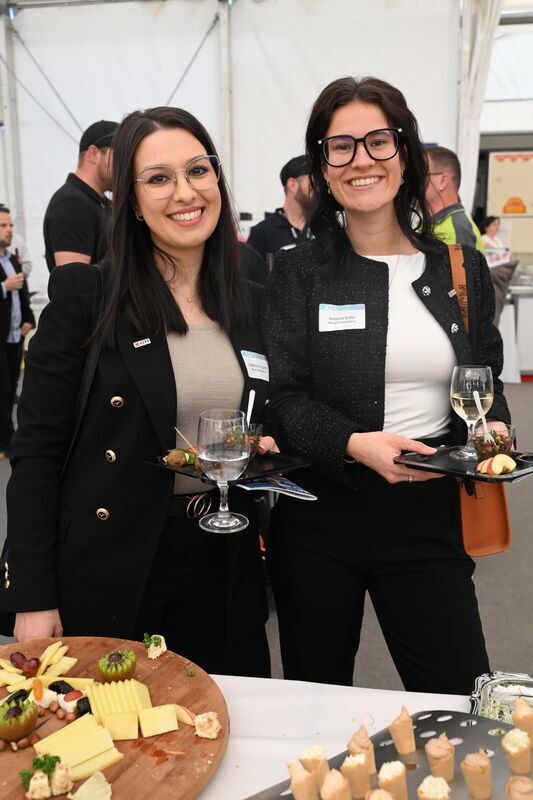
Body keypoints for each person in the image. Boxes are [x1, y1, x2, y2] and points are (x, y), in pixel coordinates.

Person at [1, 106, 275, 679]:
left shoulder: (251, 295)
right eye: (158, 178)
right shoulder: (88, 296)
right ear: (129, 199)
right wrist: (32, 594)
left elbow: (259, 410)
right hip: (113, 560)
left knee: (225, 717)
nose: (185, 192)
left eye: (198, 170)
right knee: (118, 725)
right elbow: (37, 452)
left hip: (224, 555)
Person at [262, 76, 510, 694]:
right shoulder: (298, 272)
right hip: (319, 512)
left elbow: (485, 374)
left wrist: (494, 425)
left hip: (429, 510)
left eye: (378, 141)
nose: (361, 160)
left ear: (406, 154)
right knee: (315, 699)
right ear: (322, 167)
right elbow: (282, 398)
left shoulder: (460, 268)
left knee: (460, 695)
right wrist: (353, 442)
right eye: (340, 146)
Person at [43, 119, 118, 271]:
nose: (125, 166)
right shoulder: (71, 205)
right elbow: (72, 281)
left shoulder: (100, 203)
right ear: (94, 154)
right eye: (120, 156)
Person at [0, 206, 34, 457]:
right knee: (2, 390)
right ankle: (7, 440)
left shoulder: (12, 259)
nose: (10, 230)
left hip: (14, 334)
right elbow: (10, 287)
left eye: (10, 225)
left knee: (12, 387)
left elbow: (22, 291)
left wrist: (28, 318)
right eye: (3, 226)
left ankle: (7, 436)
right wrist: (3, 286)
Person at [247, 155, 313, 263]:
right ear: (293, 184)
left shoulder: (323, 228)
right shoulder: (262, 232)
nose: (319, 187)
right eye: (313, 180)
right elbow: (249, 271)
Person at [425, 146, 484, 253]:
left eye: (421, 175)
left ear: (442, 181)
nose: (414, 182)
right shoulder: (434, 224)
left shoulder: (458, 230)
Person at [479, 215, 518, 326]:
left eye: (498, 225)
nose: (497, 227)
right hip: (491, 275)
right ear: (487, 227)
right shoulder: (484, 239)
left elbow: (504, 255)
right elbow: (498, 255)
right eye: (494, 224)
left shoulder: (497, 240)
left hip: (501, 274)